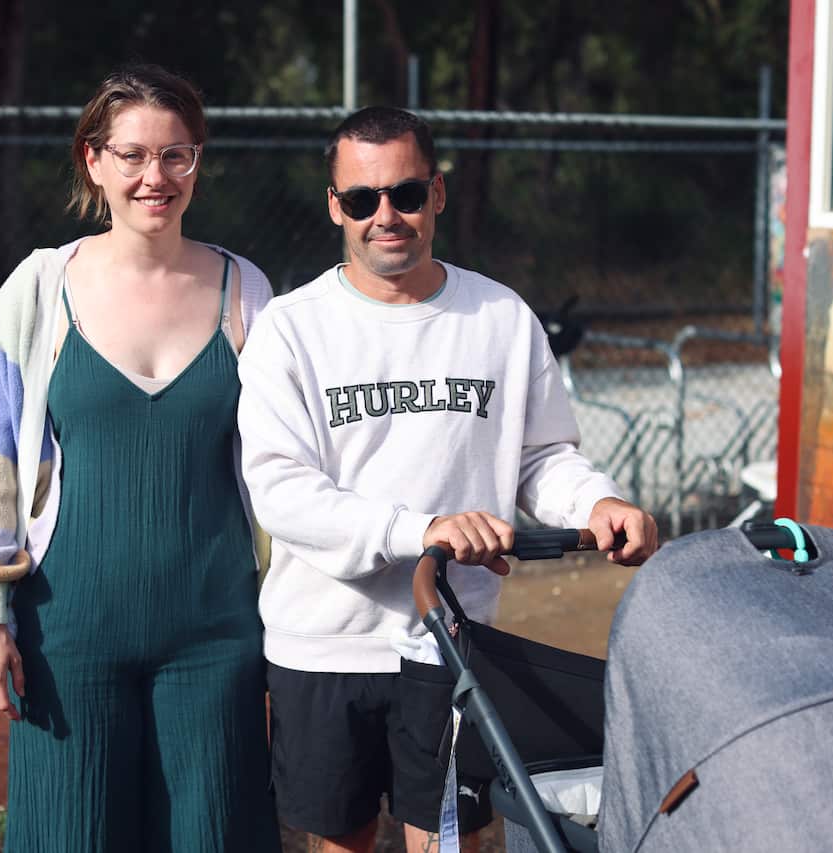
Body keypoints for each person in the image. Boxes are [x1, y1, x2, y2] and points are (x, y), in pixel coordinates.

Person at [237, 106, 660, 853]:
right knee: (340, 844)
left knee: (448, 842)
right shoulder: (291, 327)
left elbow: (540, 455)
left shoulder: (501, 315)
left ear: (436, 192)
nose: (385, 216)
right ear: (335, 205)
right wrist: (420, 530)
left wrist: (597, 499)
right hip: (325, 643)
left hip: (453, 643)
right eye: (363, 200)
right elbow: (281, 489)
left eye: (404, 193)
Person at [0, 65, 281, 853]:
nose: (155, 177)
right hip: (68, 637)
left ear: (198, 160)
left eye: (176, 155)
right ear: (94, 161)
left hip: (217, 637)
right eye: (132, 156)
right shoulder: (38, 287)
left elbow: (280, 469)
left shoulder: (247, 290)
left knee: (217, 836)